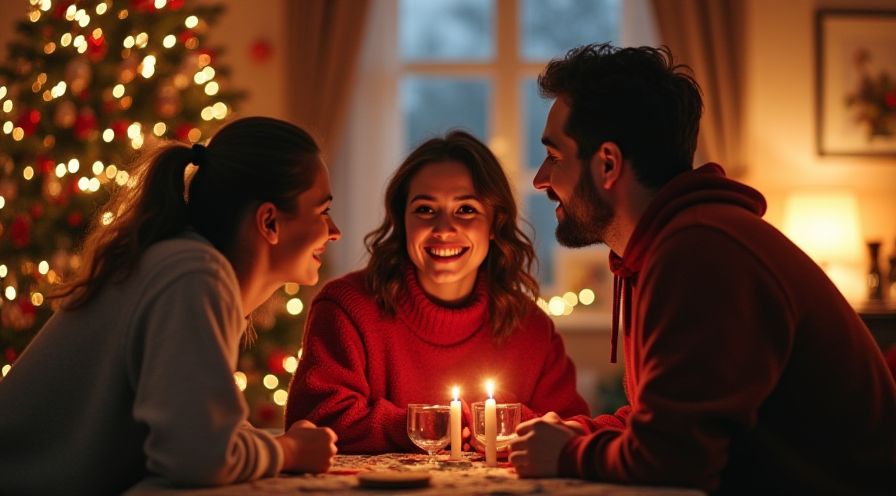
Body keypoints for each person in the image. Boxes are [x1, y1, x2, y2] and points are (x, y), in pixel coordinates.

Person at [508, 43, 896, 494]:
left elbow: (673, 461)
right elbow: (664, 420)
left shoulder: (699, 254)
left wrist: (566, 454)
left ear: (608, 164)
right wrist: (579, 433)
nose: (539, 180)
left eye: (555, 158)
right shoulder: (671, 244)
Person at [0, 117, 341, 493]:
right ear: (270, 222)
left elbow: (200, 430)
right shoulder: (194, 276)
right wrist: (289, 450)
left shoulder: (184, 265)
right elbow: (199, 457)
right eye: (322, 212)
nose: (335, 231)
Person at [286, 130, 589, 454]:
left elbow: (570, 430)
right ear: (402, 220)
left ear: (495, 222)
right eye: (426, 210)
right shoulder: (346, 308)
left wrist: (506, 425)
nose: (444, 229)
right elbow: (314, 425)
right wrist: (426, 426)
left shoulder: (531, 328)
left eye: (466, 210)